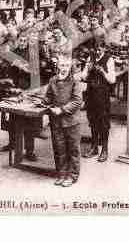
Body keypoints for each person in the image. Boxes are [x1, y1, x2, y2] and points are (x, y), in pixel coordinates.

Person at [44, 55, 83, 187]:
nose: (64, 68)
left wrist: (61, 110)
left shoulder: (75, 81)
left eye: (67, 66)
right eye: (62, 65)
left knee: (73, 149)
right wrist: (43, 102)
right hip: (56, 121)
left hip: (71, 121)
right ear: (58, 66)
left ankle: (72, 175)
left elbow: (77, 101)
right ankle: (61, 173)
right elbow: (48, 97)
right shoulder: (53, 80)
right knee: (59, 148)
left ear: (70, 67)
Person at [0, 35, 40, 160]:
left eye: (24, 40)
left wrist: (23, 67)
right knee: (12, 119)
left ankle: (29, 151)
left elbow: (35, 73)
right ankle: (12, 144)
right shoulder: (14, 53)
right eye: (20, 40)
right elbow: (7, 70)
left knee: (29, 121)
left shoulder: (32, 55)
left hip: (28, 89)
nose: (22, 42)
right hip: (14, 89)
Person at [79, 40, 116, 162]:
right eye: (96, 50)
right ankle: (94, 147)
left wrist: (103, 72)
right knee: (93, 120)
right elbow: (83, 77)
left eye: (100, 49)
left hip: (102, 94)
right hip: (91, 94)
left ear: (104, 49)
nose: (98, 52)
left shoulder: (109, 59)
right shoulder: (91, 57)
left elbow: (112, 80)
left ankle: (104, 149)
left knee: (104, 122)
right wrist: (88, 70)